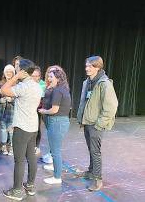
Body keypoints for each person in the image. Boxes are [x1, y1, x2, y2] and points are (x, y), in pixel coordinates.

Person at [1, 59, 42, 201]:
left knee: (19, 160)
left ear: (23, 71)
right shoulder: (36, 86)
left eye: (17, 68)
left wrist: (15, 78)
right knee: (31, 156)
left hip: (22, 128)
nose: (15, 70)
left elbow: (3, 90)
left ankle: (17, 191)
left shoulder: (24, 86)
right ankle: (30, 185)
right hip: (33, 127)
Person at [76, 56, 118, 191]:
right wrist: (82, 118)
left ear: (98, 67)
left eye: (91, 66)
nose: (87, 68)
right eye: (86, 66)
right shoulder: (87, 82)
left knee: (95, 151)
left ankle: (97, 179)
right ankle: (91, 171)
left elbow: (111, 107)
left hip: (96, 124)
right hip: (88, 121)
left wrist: (99, 124)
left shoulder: (104, 83)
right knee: (91, 149)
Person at [38, 65, 71, 185]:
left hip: (57, 122)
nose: (48, 78)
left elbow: (54, 110)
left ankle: (57, 177)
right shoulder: (62, 88)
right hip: (60, 122)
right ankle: (54, 168)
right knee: (54, 149)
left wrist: (43, 111)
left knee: (56, 151)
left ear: (58, 78)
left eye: (51, 77)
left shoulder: (57, 90)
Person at [0, 65, 15, 156]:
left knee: (11, 129)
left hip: (12, 110)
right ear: (4, 73)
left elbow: (21, 98)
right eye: (7, 72)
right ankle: (4, 146)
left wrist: (12, 100)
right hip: (2, 110)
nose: (8, 73)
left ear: (13, 73)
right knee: (3, 129)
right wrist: (0, 100)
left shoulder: (16, 84)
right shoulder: (0, 84)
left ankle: (11, 146)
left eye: (10, 72)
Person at [31, 66, 46, 156]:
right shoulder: (28, 84)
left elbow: (42, 97)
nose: (35, 78)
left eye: (37, 76)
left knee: (37, 127)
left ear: (40, 76)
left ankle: (36, 146)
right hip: (29, 109)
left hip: (38, 109)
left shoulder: (43, 84)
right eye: (33, 76)